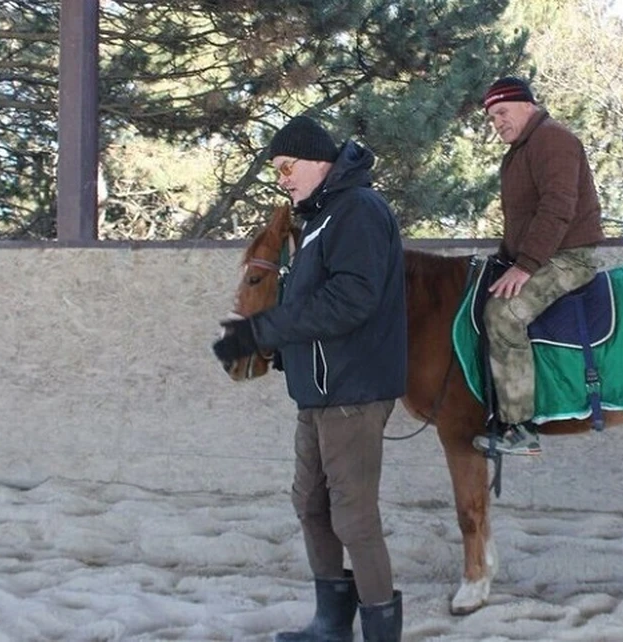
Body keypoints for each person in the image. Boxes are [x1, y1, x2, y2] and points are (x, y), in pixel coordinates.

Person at [212, 115, 406, 642]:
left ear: (318, 160)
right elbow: (309, 304)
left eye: (286, 166)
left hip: (354, 391)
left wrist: (261, 330)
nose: (282, 178)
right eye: (277, 169)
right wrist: (273, 349)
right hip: (316, 390)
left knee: (353, 517)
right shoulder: (318, 217)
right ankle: (330, 625)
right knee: (310, 505)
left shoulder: (358, 211)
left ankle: (381, 631)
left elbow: (352, 299)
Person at [472, 76, 605, 457]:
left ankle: (520, 429)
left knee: (503, 313)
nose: (497, 122)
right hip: (539, 256)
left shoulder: (552, 139)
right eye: (491, 117)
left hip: (569, 258)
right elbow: (520, 221)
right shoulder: (520, 150)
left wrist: (524, 266)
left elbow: (558, 207)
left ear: (527, 106)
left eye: (502, 112)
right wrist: (502, 260)